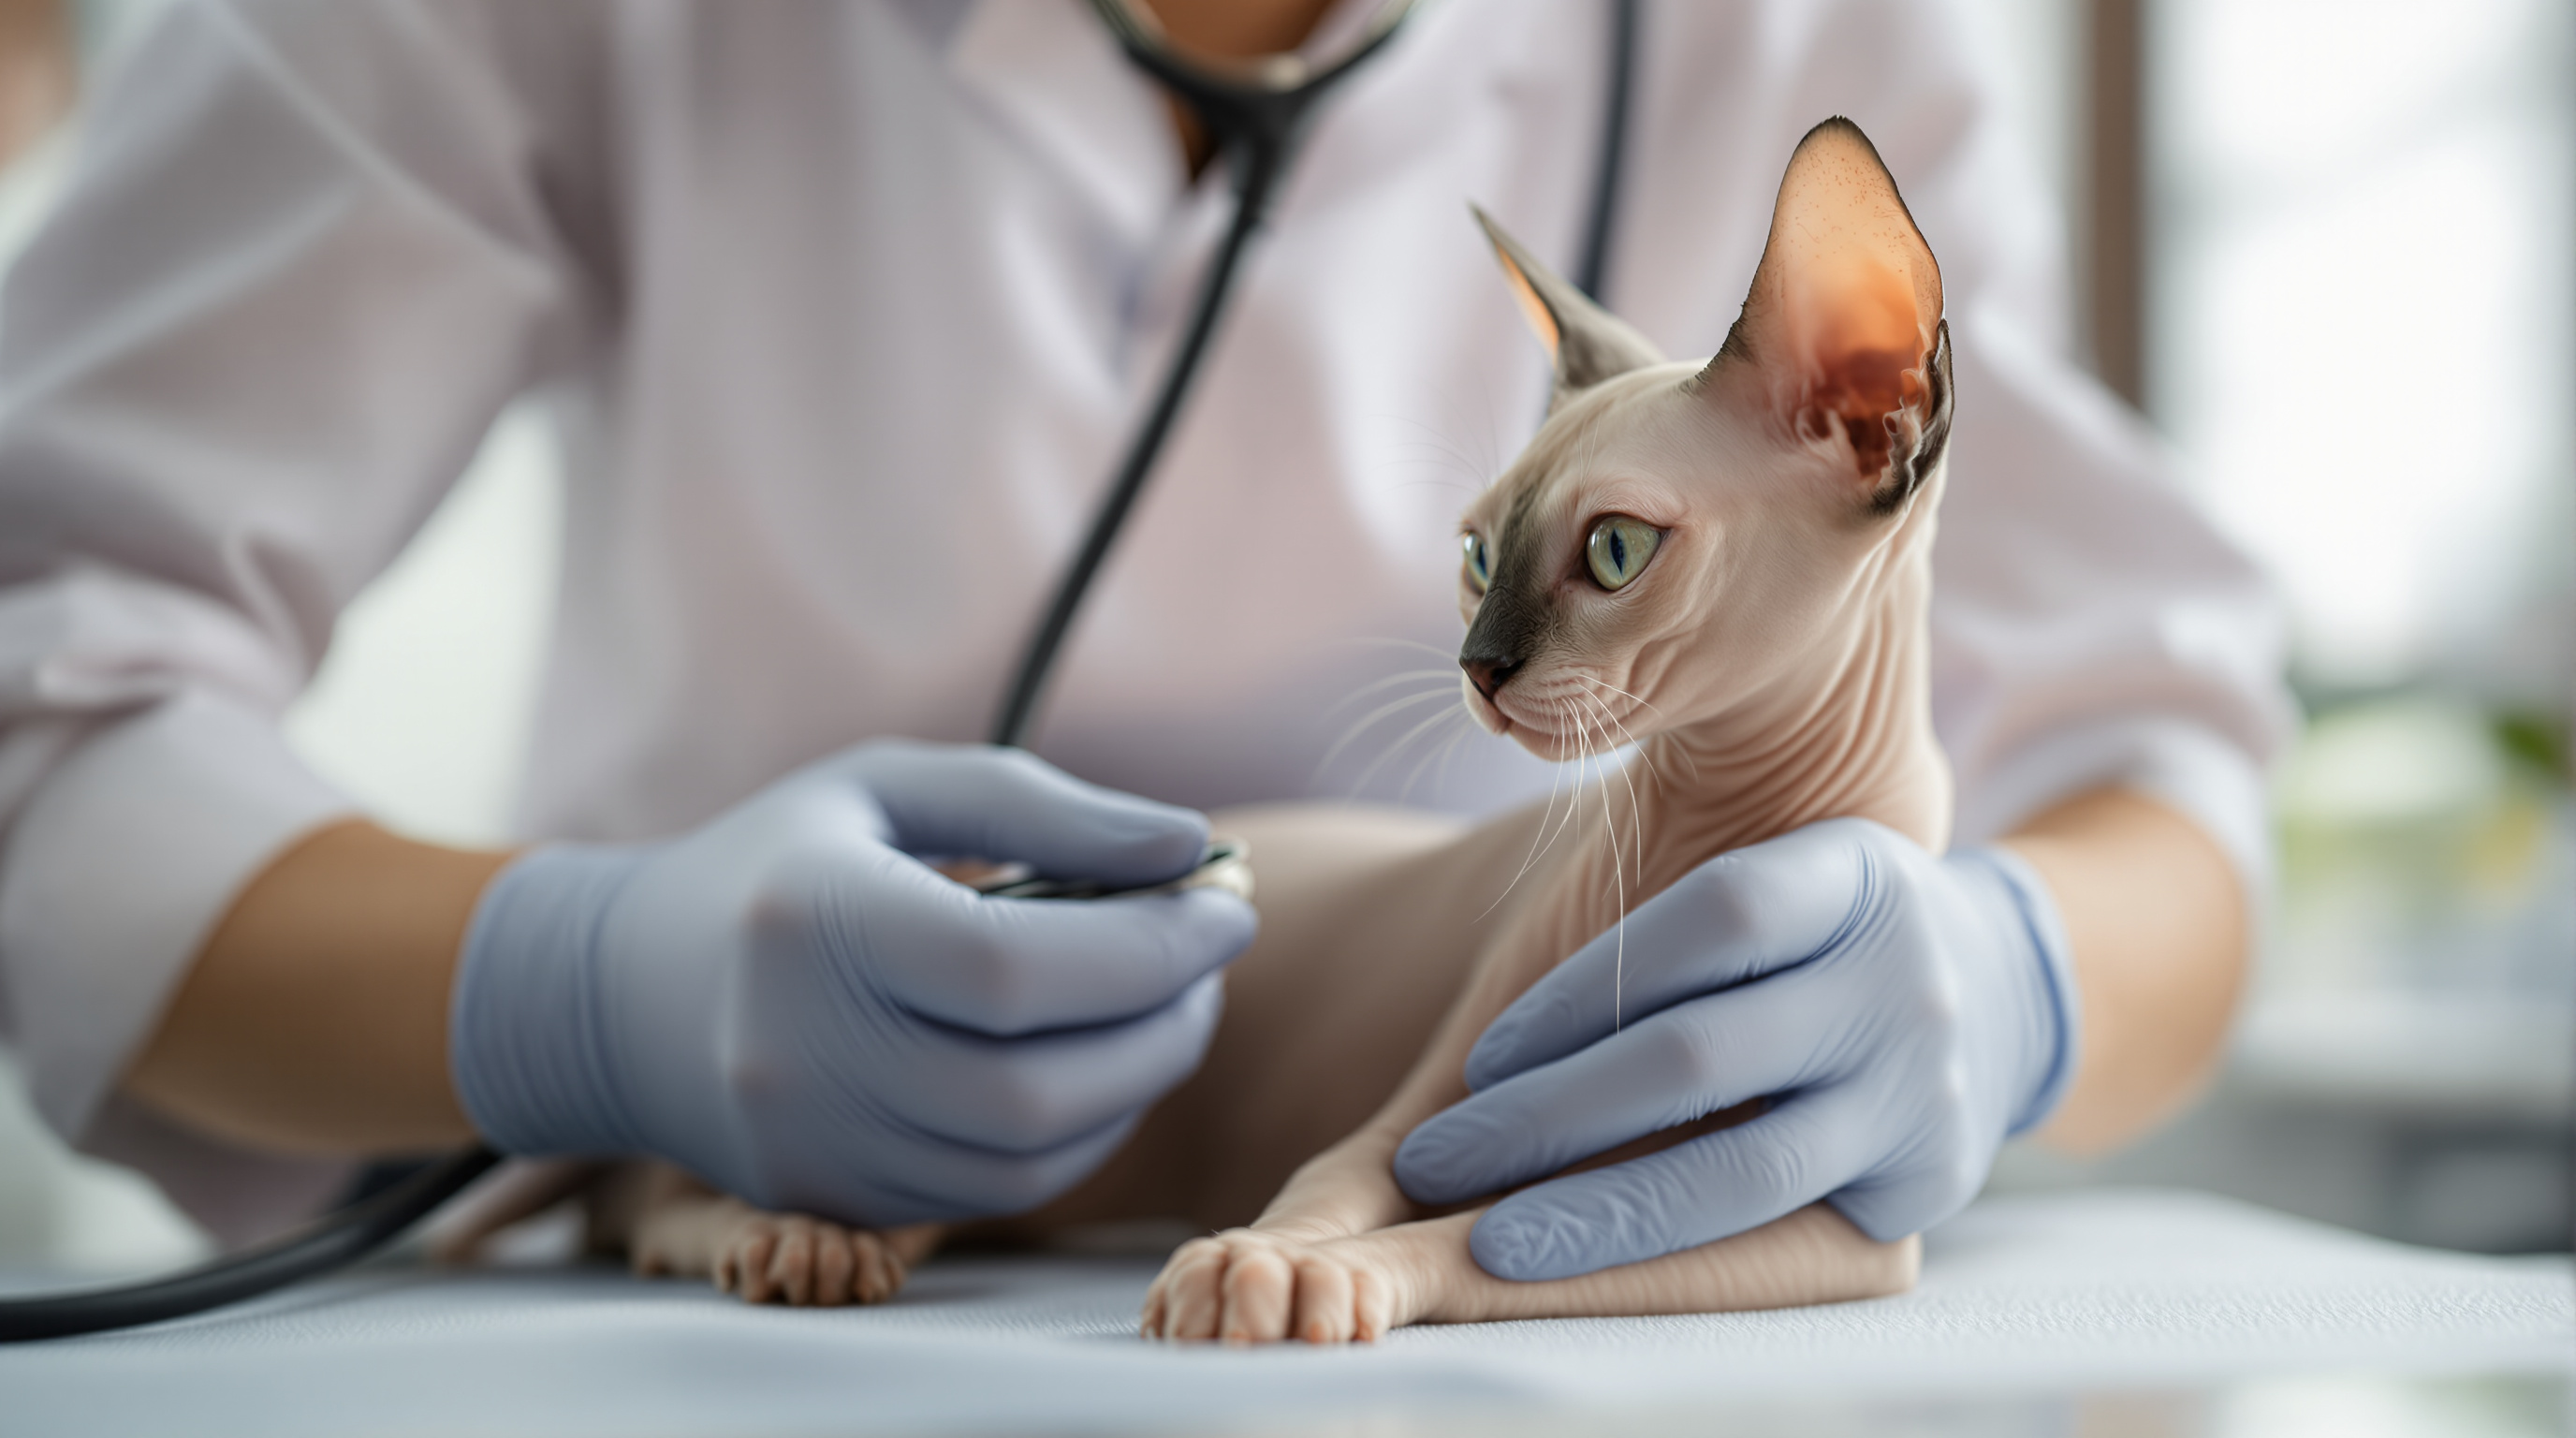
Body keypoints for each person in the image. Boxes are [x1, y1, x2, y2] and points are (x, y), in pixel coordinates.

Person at [0, 0, 2287, 1276]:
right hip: (748, 1288)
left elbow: (2159, 745)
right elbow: (45, 682)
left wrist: (2008, 982)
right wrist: (576, 993)